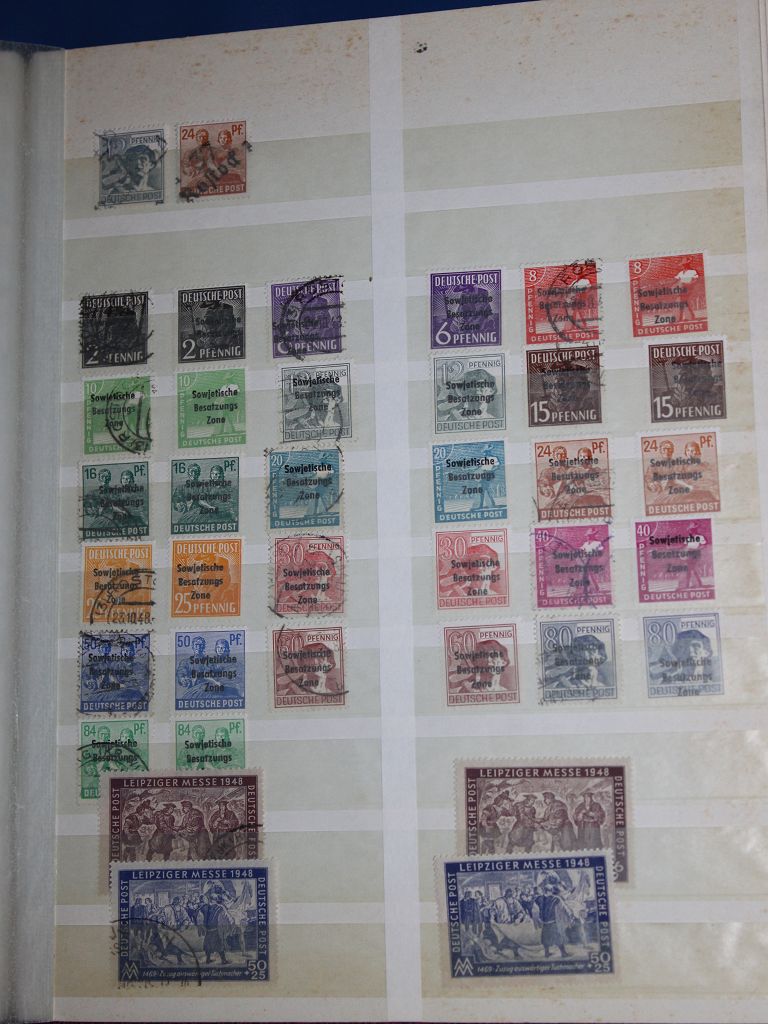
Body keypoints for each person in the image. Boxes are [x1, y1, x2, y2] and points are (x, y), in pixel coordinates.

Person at [536, 883, 572, 958]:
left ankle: (562, 953)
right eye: (549, 891)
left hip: (552, 922)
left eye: (550, 891)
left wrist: (569, 913)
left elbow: (564, 907)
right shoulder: (540, 899)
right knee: (548, 939)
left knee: (556, 938)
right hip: (547, 923)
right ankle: (552, 953)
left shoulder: (555, 899)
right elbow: (535, 909)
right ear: (546, 891)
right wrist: (538, 918)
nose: (550, 892)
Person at [198, 886, 232, 964]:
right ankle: (223, 960)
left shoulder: (204, 907)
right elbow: (227, 917)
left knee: (208, 945)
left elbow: (199, 917)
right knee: (219, 945)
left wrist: (201, 926)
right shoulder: (220, 907)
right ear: (216, 900)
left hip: (208, 930)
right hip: (215, 930)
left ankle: (208, 960)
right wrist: (230, 923)